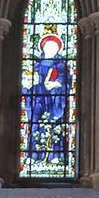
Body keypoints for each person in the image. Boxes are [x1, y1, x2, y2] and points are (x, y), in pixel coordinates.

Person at [25, 33, 71, 167]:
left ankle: (55, 156)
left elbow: (65, 80)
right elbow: (29, 80)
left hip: (54, 98)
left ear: (58, 49)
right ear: (43, 48)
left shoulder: (61, 64)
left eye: (54, 47)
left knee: (55, 124)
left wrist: (56, 84)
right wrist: (28, 83)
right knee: (35, 123)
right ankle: (34, 155)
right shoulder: (36, 65)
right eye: (48, 46)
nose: (50, 49)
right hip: (38, 97)